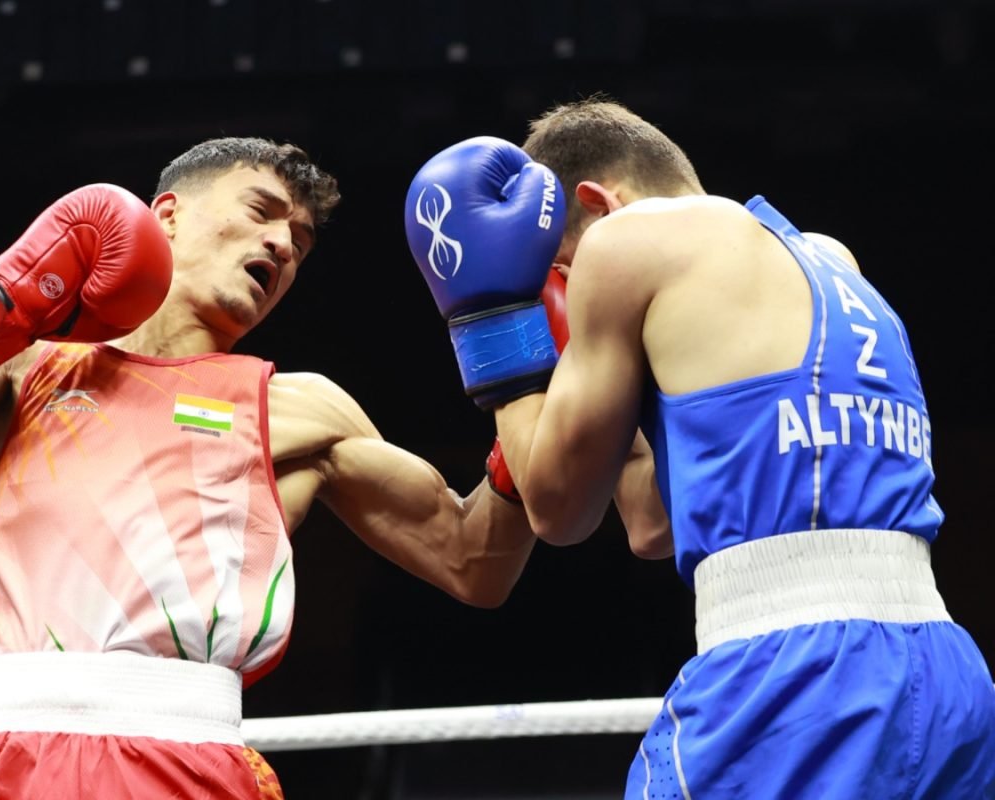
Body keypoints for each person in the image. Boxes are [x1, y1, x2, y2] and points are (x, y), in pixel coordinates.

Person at [0, 138, 550, 799]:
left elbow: (473, 562)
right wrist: (14, 296)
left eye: (299, 240)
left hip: (190, 764)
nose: (283, 245)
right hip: (8, 760)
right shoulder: (33, 367)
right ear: (165, 215)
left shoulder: (298, 410)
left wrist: (508, 349)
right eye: (261, 211)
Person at [403, 100, 995, 797]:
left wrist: (494, 323)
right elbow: (652, 526)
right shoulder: (828, 259)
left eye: (562, 266)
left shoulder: (626, 243)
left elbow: (558, 509)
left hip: (795, 675)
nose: (571, 287)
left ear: (596, 203)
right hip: (946, 671)